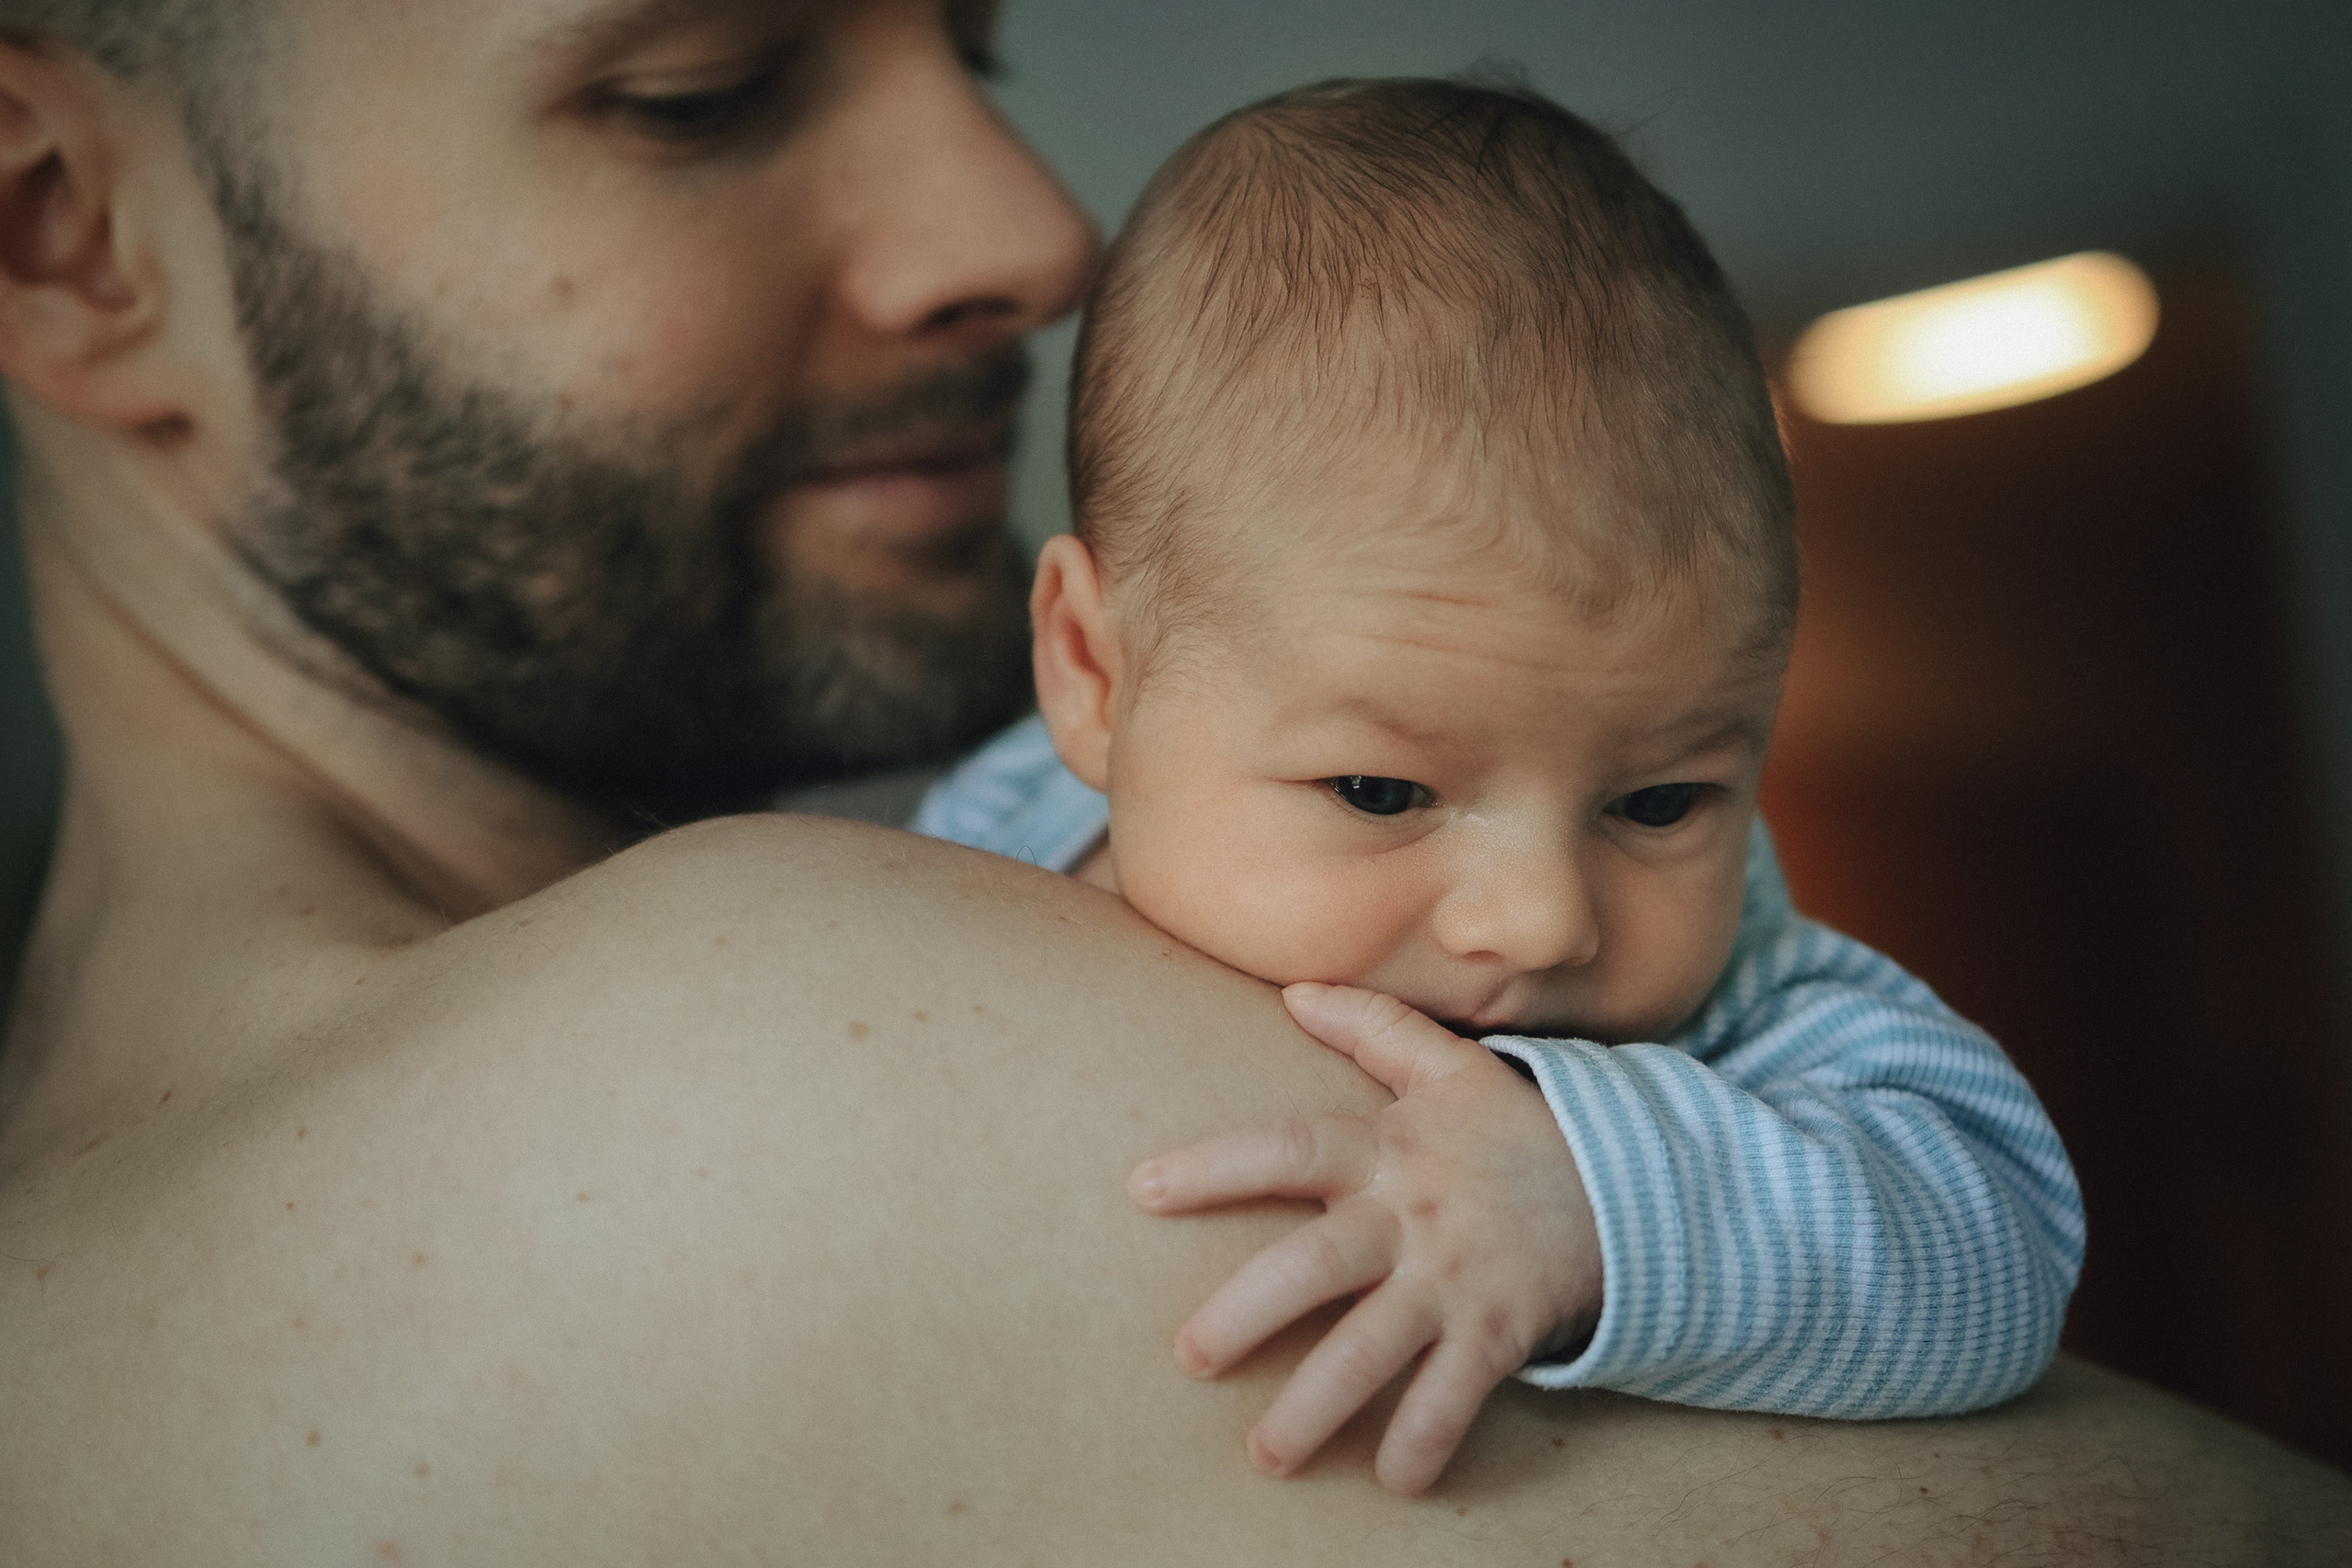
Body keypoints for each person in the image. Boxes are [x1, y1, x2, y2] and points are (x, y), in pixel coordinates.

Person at [0, 1, 2345, 1562]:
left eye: (974, 34)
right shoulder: (754, 1044)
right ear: (57, 224)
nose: (1035, 233)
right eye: (699, 79)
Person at [912, 77, 2081, 1496]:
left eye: (1659, 804)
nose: (1538, 922)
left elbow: (2003, 1233)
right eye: (1382, 791)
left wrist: (1600, 1204)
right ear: (1095, 678)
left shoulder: (1747, 1007)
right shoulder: (990, 831)